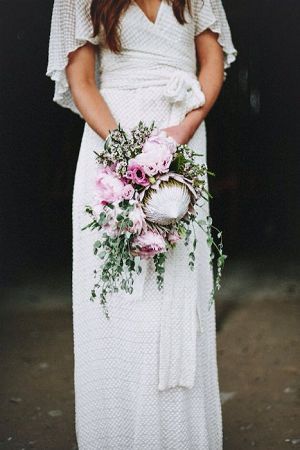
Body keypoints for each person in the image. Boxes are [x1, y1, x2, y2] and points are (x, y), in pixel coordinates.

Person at [46, 0, 237, 448]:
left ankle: (177, 436)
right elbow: (81, 80)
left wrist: (183, 131)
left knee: (177, 290)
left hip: (182, 136)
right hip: (111, 143)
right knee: (120, 303)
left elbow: (212, 61)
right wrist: (129, 154)